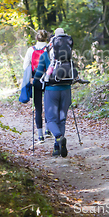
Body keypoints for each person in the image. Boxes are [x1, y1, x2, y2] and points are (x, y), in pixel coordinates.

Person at [32, 27, 72, 157]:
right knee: (62, 119)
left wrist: (34, 82)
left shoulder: (45, 54)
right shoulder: (68, 54)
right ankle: (57, 147)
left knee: (50, 120)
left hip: (51, 89)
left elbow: (38, 74)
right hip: (66, 89)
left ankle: (59, 138)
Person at [23, 30, 51, 143]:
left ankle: (40, 136)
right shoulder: (49, 48)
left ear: (36, 38)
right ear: (47, 38)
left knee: (38, 108)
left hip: (36, 79)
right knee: (49, 105)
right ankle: (48, 130)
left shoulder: (31, 50)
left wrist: (30, 78)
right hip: (48, 79)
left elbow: (26, 66)